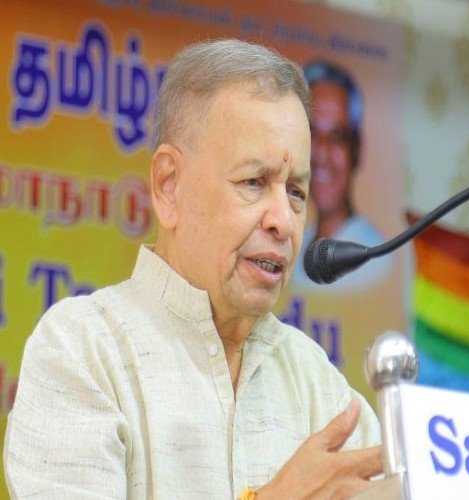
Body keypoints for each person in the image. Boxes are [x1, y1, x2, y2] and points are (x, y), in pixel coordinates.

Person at [3, 40, 382, 498]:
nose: (284, 221)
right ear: (169, 185)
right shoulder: (83, 350)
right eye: (254, 182)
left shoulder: (319, 386)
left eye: (297, 192)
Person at [291, 61, 392, 293]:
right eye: (312, 134)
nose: (322, 152)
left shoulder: (376, 263)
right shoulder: (298, 245)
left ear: (357, 150)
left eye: (337, 137)